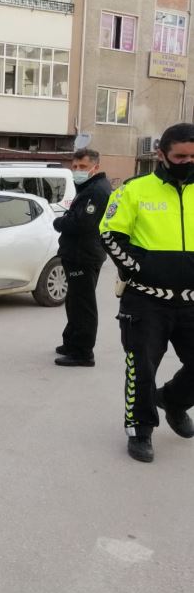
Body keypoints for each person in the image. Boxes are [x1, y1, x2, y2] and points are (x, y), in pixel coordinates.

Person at [100, 122, 194, 463]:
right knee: (141, 367)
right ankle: (140, 430)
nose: (188, 162)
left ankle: (173, 400)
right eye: (181, 156)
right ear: (161, 154)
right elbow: (110, 234)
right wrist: (142, 268)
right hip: (145, 300)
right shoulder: (134, 190)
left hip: (191, 302)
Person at [53, 149, 112, 367]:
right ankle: (71, 342)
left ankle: (83, 352)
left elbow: (81, 224)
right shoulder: (88, 187)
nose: (77, 171)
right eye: (75, 167)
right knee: (74, 301)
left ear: (95, 167)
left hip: (83, 255)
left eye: (83, 167)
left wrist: (58, 222)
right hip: (77, 253)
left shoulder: (96, 191)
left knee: (83, 305)